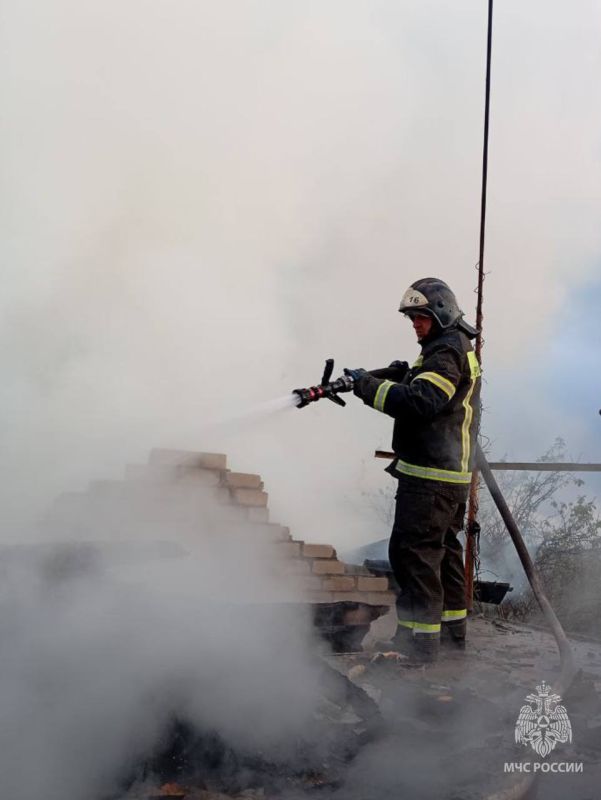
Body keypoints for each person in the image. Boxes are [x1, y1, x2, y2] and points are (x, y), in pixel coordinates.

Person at [345, 278, 481, 663]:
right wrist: (399, 375)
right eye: (412, 319)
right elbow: (432, 392)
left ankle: (417, 647)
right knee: (444, 555)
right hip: (449, 477)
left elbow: (422, 402)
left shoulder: (445, 352)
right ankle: (451, 637)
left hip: (429, 478)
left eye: (421, 317)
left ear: (441, 314)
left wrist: (367, 386)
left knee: (413, 556)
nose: (415, 325)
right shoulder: (453, 345)